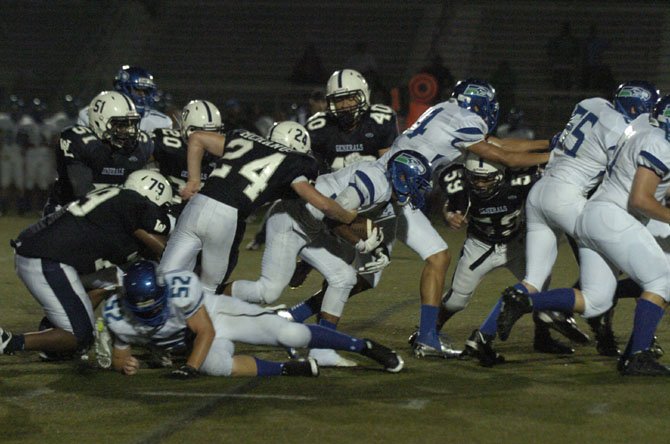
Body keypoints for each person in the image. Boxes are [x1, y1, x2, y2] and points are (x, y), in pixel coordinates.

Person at [467, 81, 660, 366]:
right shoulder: (624, 131)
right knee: (609, 272)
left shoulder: (591, 102)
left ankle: (482, 336)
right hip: (569, 198)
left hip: (541, 191)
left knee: (533, 280)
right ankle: (566, 315)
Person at [377, 78, 551, 357]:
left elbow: (499, 144)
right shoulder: (465, 119)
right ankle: (426, 338)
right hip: (393, 189)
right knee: (359, 269)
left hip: (391, 183)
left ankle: (427, 337)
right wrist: (556, 155)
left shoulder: (444, 112)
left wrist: (547, 143)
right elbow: (507, 158)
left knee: (361, 273)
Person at [226, 151, 432, 367]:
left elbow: (372, 229)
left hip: (312, 225)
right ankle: (211, 296)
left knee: (344, 277)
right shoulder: (375, 183)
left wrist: (381, 251)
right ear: (401, 176)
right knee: (266, 291)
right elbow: (334, 215)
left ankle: (321, 350)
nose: (417, 191)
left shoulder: (387, 192)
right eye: (416, 184)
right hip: (291, 220)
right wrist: (361, 244)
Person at [416, 153, 587, 366]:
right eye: (475, 178)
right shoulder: (457, 180)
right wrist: (449, 213)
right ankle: (427, 331)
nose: (479, 184)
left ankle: (542, 338)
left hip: (516, 244)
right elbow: (451, 203)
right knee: (456, 300)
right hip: (480, 247)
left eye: (486, 179)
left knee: (538, 289)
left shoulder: (521, 178)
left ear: (501, 174)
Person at [102, 260, 404, 377]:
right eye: (144, 309)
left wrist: (190, 368)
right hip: (198, 338)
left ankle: (363, 346)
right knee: (217, 367)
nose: (152, 313)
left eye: (156, 305)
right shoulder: (118, 315)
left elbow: (205, 332)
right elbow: (120, 354)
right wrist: (124, 364)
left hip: (217, 317)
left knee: (291, 336)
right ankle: (287, 368)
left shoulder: (181, 289)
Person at [159, 121, 357, 294]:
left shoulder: (246, 139)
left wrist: (193, 180)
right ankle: (192, 334)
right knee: (207, 289)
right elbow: (322, 203)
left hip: (196, 205)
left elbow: (196, 138)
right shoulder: (294, 161)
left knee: (165, 276)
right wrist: (347, 216)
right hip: (225, 216)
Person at [0, 170, 173, 358]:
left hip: (44, 253)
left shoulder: (116, 201)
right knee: (81, 336)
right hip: (46, 260)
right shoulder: (132, 202)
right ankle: (9, 342)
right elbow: (164, 249)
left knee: (116, 278)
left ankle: (55, 337)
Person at [46, 91, 154, 213]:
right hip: (70, 213)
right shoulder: (81, 142)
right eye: (120, 125)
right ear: (100, 122)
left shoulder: (140, 146)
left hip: (111, 216)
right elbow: (82, 194)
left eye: (131, 124)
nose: (128, 131)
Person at [152, 99, 223, 212]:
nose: (207, 139)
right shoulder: (168, 143)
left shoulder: (224, 151)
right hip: (167, 206)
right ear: (186, 130)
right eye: (201, 133)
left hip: (207, 211)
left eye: (214, 132)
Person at [77, 65, 172, 133]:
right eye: (137, 90)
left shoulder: (162, 122)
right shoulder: (93, 112)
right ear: (121, 88)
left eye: (146, 91)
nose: (142, 95)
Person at [546, 22, 579, 90]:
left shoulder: (573, 41)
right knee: (559, 76)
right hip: (560, 62)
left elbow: (575, 52)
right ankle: (559, 88)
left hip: (568, 62)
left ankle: (565, 88)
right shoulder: (557, 41)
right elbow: (552, 51)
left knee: (567, 76)